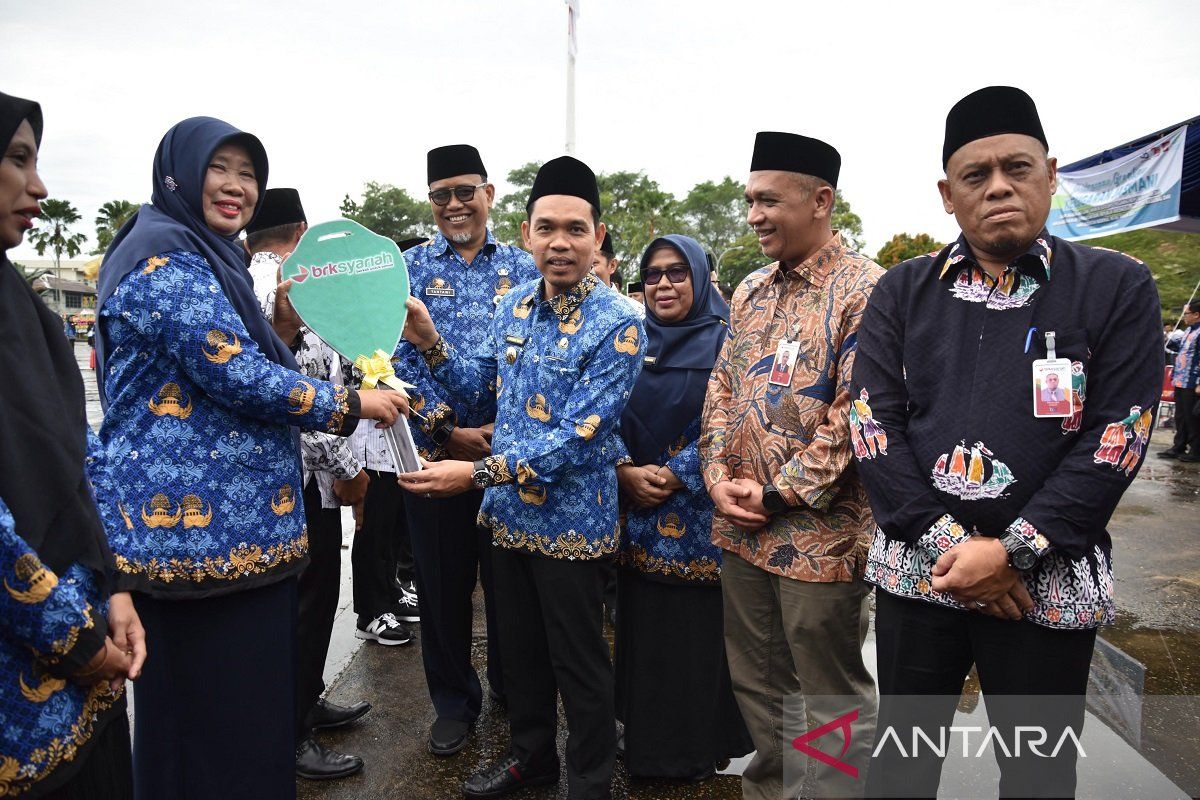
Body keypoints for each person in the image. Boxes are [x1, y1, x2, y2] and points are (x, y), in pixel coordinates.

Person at [852, 86, 1163, 798]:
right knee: (900, 768)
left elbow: (1120, 434)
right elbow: (873, 425)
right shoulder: (902, 290)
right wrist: (954, 553)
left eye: (1018, 168)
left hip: (1048, 583)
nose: (999, 187)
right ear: (947, 194)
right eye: (976, 175)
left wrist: (1012, 552)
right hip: (919, 577)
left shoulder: (1117, 285)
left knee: (1038, 774)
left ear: (1051, 174)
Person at [93, 117, 407, 799]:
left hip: (241, 544)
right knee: (202, 734)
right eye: (220, 168)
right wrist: (350, 404)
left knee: (246, 728)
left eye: (248, 173)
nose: (237, 187)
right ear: (179, 172)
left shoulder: (213, 256)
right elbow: (231, 370)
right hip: (188, 545)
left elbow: (253, 356)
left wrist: (288, 334)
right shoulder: (162, 256)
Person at [398, 156, 644, 800]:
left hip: (571, 524)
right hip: (510, 521)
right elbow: (478, 388)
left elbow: (577, 438)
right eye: (546, 228)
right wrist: (429, 343)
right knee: (524, 658)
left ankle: (589, 779)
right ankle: (530, 760)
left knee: (579, 662)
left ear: (597, 237)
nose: (559, 243)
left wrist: (478, 474)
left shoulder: (618, 322)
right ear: (528, 233)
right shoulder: (513, 305)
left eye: (575, 229)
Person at [699, 131, 881, 799]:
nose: (753, 215)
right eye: (750, 200)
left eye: (768, 200)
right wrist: (719, 480)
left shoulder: (867, 289)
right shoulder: (748, 290)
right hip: (741, 532)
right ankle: (771, 791)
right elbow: (720, 388)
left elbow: (859, 413)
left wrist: (777, 495)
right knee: (760, 684)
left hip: (819, 540)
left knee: (830, 696)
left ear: (822, 200)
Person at [0, 89, 143, 800]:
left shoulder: (21, 306)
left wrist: (112, 588)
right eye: (19, 159)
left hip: (86, 650)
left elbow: (76, 456)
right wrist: (78, 642)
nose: (40, 186)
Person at [393, 144, 538, 756]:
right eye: (441, 195)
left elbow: (538, 356)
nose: (454, 205)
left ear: (489, 193)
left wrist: (500, 434)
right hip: (432, 456)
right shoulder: (404, 269)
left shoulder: (528, 268)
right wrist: (446, 428)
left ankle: (513, 690)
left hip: (506, 460)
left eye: (464, 191)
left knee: (511, 587)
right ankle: (453, 704)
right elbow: (387, 364)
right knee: (442, 588)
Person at [612, 234, 751, 781]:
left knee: (694, 640)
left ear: (699, 278)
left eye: (676, 273)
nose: (663, 285)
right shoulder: (624, 341)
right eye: (652, 275)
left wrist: (678, 473)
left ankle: (695, 750)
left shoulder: (726, 342)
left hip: (699, 521)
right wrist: (623, 469)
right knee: (643, 633)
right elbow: (599, 411)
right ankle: (645, 744)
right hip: (635, 514)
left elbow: (738, 417)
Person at [245, 188, 372, 780]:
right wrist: (347, 473)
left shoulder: (238, 278)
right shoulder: (295, 288)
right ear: (300, 231)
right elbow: (306, 392)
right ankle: (293, 734)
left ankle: (306, 703)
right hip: (308, 482)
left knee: (299, 605)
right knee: (309, 603)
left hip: (272, 483)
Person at [1160, 301, 1200, 461]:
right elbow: (1177, 348)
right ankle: (1179, 445)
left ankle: (1196, 450)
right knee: (1180, 416)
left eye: (1187, 314)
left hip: (1192, 381)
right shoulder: (1189, 331)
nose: (1184, 317)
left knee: (1192, 417)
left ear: (1196, 314)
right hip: (1180, 380)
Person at [593, 231, 643, 317]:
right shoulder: (567, 310)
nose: (586, 270)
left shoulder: (636, 311)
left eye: (594, 263)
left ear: (612, 265)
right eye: (581, 264)